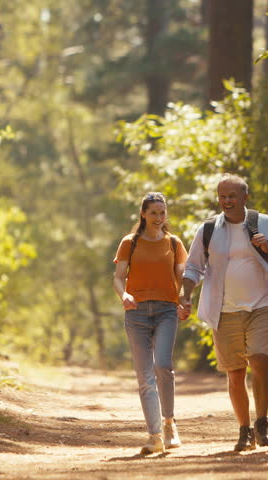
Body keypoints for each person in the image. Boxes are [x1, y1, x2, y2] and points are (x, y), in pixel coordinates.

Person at [178, 174, 268, 452]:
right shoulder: (208, 229)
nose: (227, 201)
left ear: (245, 197)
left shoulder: (264, 222)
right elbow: (193, 267)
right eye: (222, 196)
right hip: (224, 309)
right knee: (235, 373)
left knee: (259, 359)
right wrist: (185, 295)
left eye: (232, 196)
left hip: (261, 304)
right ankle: (244, 430)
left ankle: (262, 425)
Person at [113, 192, 188, 455]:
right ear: (143, 214)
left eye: (163, 212)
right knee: (145, 376)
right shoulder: (129, 243)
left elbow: (182, 275)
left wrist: (185, 298)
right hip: (136, 313)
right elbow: (119, 277)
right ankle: (154, 435)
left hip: (167, 309)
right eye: (154, 212)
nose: (159, 217)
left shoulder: (174, 243)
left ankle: (169, 424)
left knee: (163, 365)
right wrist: (124, 294)